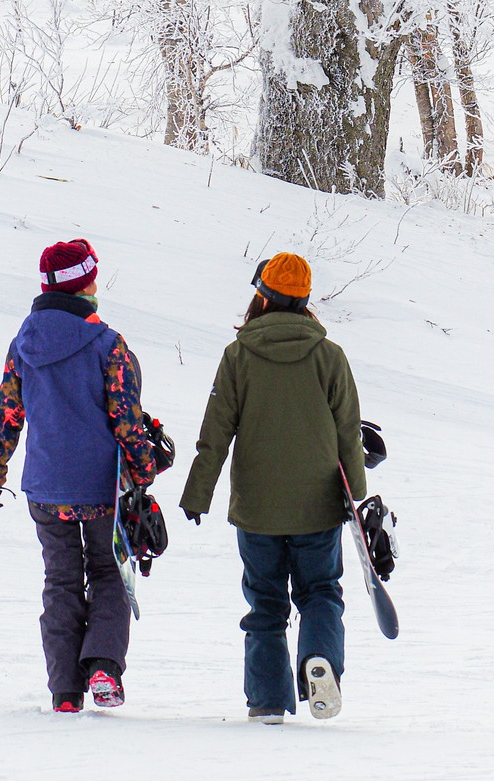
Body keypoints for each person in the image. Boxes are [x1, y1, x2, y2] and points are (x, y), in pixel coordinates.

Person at [180, 251, 368, 725]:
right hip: (317, 506)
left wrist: (197, 494)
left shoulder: (238, 355)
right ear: (305, 301)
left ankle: (266, 700)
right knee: (321, 591)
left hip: (257, 509)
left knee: (265, 603)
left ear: (261, 296)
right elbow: (349, 432)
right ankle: (318, 660)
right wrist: (356, 496)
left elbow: (216, 432)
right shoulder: (330, 356)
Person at [0, 237, 156, 714]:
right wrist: (144, 469)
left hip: (46, 488)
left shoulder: (24, 343)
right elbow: (126, 420)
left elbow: (7, 417)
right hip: (100, 488)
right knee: (108, 574)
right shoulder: (108, 345)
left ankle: (65, 692)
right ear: (85, 283)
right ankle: (102, 667)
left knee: (60, 581)